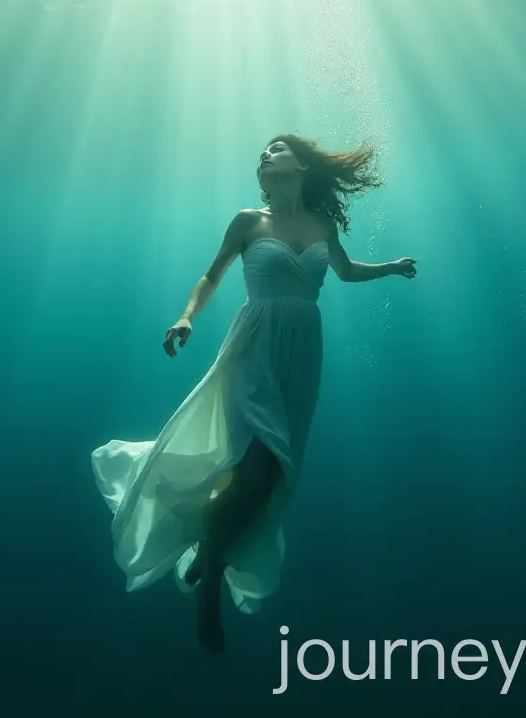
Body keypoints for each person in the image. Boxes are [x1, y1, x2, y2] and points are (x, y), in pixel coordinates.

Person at [91, 133, 417, 654]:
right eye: (262, 151)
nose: (265, 154)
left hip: (301, 356)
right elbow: (212, 274)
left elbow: (347, 272)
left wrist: (391, 268)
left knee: (265, 480)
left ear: (302, 164)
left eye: (276, 147)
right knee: (259, 470)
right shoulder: (249, 222)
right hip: (253, 348)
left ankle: (211, 545)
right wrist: (184, 317)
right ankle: (212, 581)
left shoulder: (321, 225)